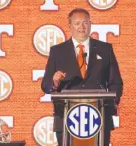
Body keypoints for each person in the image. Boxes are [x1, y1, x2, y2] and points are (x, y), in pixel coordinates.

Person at [41, 8, 123, 146]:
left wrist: (111, 103)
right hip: (66, 118)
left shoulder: (105, 49)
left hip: (99, 117)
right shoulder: (57, 51)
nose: (82, 27)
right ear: (70, 25)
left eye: (85, 23)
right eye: (77, 23)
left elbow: (116, 82)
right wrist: (54, 82)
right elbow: (45, 85)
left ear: (90, 24)